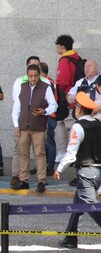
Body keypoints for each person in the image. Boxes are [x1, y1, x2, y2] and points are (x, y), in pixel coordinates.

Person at [55, 91, 101, 253]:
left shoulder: (78, 127)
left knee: (90, 205)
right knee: (78, 203)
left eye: (75, 107)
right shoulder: (99, 124)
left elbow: (71, 153)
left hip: (86, 170)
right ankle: (70, 237)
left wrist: (59, 168)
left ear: (79, 109)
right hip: (99, 171)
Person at [12, 64, 57, 192]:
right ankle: (23, 180)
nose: (33, 78)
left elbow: (54, 106)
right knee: (23, 154)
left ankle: (41, 180)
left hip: (39, 127)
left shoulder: (46, 87)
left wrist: (44, 111)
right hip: (23, 126)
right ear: (27, 76)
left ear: (39, 75)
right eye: (30, 76)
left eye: (35, 76)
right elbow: (17, 107)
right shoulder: (21, 86)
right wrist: (16, 125)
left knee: (40, 154)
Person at [9, 56, 42, 185]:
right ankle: (17, 175)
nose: (35, 67)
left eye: (37, 65)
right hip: (22, 122)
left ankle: (41, 179)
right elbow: (17, 103)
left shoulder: (44, 82)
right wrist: (17, 124)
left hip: (38, 123)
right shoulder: (19, 81)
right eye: (32, 65)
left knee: (39, 151)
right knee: (20, 150)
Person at [54, 35, 81, 164]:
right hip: (76, 98)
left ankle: (65, 153)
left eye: (57, 46)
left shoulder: (65, 60)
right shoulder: (76, 58)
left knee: (62, 124)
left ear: (62, 46)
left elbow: (63, 81)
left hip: (66, 99)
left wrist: (64, 96)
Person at [39, 62, 60, 178]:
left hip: (49, 116)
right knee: (44, 143)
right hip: (46, 115)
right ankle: (44, 165)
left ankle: (50, 167)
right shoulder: (48, 81)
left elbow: (50, 100)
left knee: (49, 142)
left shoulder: (48, 82)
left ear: (41, 71)